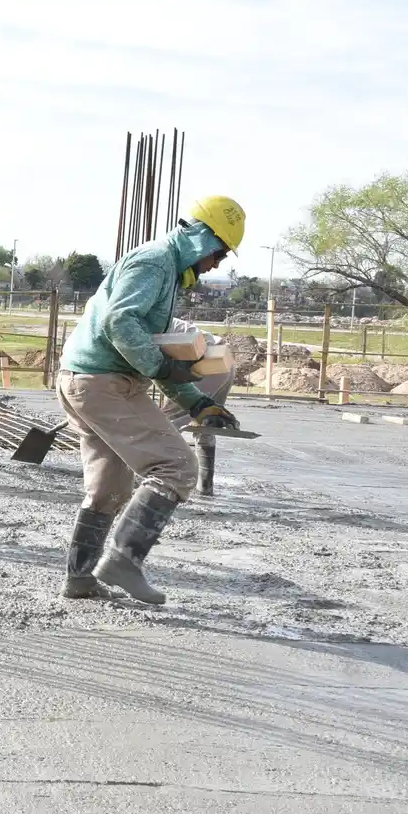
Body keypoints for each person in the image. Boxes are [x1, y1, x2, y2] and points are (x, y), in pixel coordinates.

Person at [55, 196, 246, 603]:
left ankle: (80, 579)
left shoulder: (164, 270)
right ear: (201, 237)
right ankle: (123, 561)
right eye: (218, 253)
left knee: (108, 488)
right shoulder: (155, 262)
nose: (215, 265)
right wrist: (161, 367)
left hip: (86, 380)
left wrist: (198, 403)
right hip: (103, 383)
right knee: (177, 467)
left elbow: (156, 353)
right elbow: (120, 321)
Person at [159, 317, 235, 497]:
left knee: (165, 424)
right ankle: (205, 486)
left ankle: (164, 482)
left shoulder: (146, 324)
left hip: (202, 364)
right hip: (223, 359)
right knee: (206, 423)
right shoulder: (167, 320)